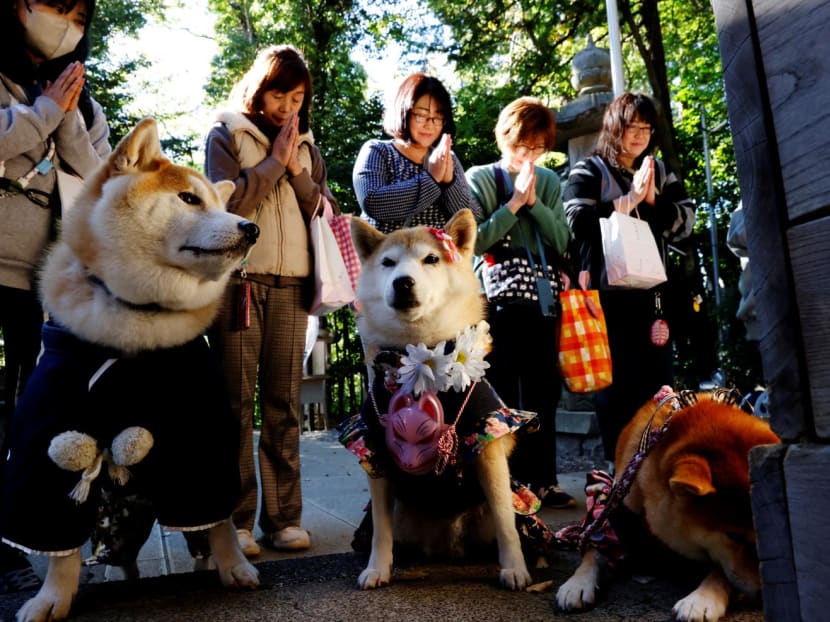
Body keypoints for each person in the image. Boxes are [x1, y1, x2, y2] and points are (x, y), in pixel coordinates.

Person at [204, 44, 337, 557]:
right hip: (239, 281)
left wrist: (294, 168)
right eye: (279, 94)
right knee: (235, 403)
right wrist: (271, 165)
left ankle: (284, 518)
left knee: (283, 404)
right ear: (259, 88)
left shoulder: (307, 146)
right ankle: (235, 520)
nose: (287, 107)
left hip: (293, 284)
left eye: (297, 96)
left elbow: (324, 209)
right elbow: (225, 205)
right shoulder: (227, 132)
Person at [0, 0, 110, 593]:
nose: (66, 21)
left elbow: (97, 173)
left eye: (77, 13)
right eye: (54, 6)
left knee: (25, 413)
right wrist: (42, 110)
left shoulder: (81, 98)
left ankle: (12, 544)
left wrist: (61, 113)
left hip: (39, 279)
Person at [563, 92, 696, 465]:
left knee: (658, 379)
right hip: (607, 293)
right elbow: (576, 221)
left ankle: (655, 463)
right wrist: (627, 201)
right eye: (631, 126)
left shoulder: (659, 171)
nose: (639, 135)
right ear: (613, 127)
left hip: (653, 294)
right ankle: (616, 468)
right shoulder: (589, 170)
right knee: (614, 384)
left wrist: (652, 202)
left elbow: (687, 221)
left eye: (645, 128)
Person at [466, 96, 575, 509]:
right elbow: (475, 241)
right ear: (504, 139)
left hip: (542, 298)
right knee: (503, 387)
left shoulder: (548, 181)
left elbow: (563, 239)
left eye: (536, 148)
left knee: (544, 388)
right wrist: (513, 204)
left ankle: (544, 479)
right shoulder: (480, 178)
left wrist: (535, 204)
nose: (527, 156)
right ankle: (506, 480)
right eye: (520, 146)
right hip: (495, 299)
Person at [352, 72, 479, 232]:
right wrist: (431, 179)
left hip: (435, 255)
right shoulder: (378, 151)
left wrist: (449, 183)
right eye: (421, 115)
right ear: (404, 113)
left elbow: (471, 217)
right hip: (390, 254)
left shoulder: (448, 158)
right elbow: (373, 203)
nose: (430, 124)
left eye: (438, 117)